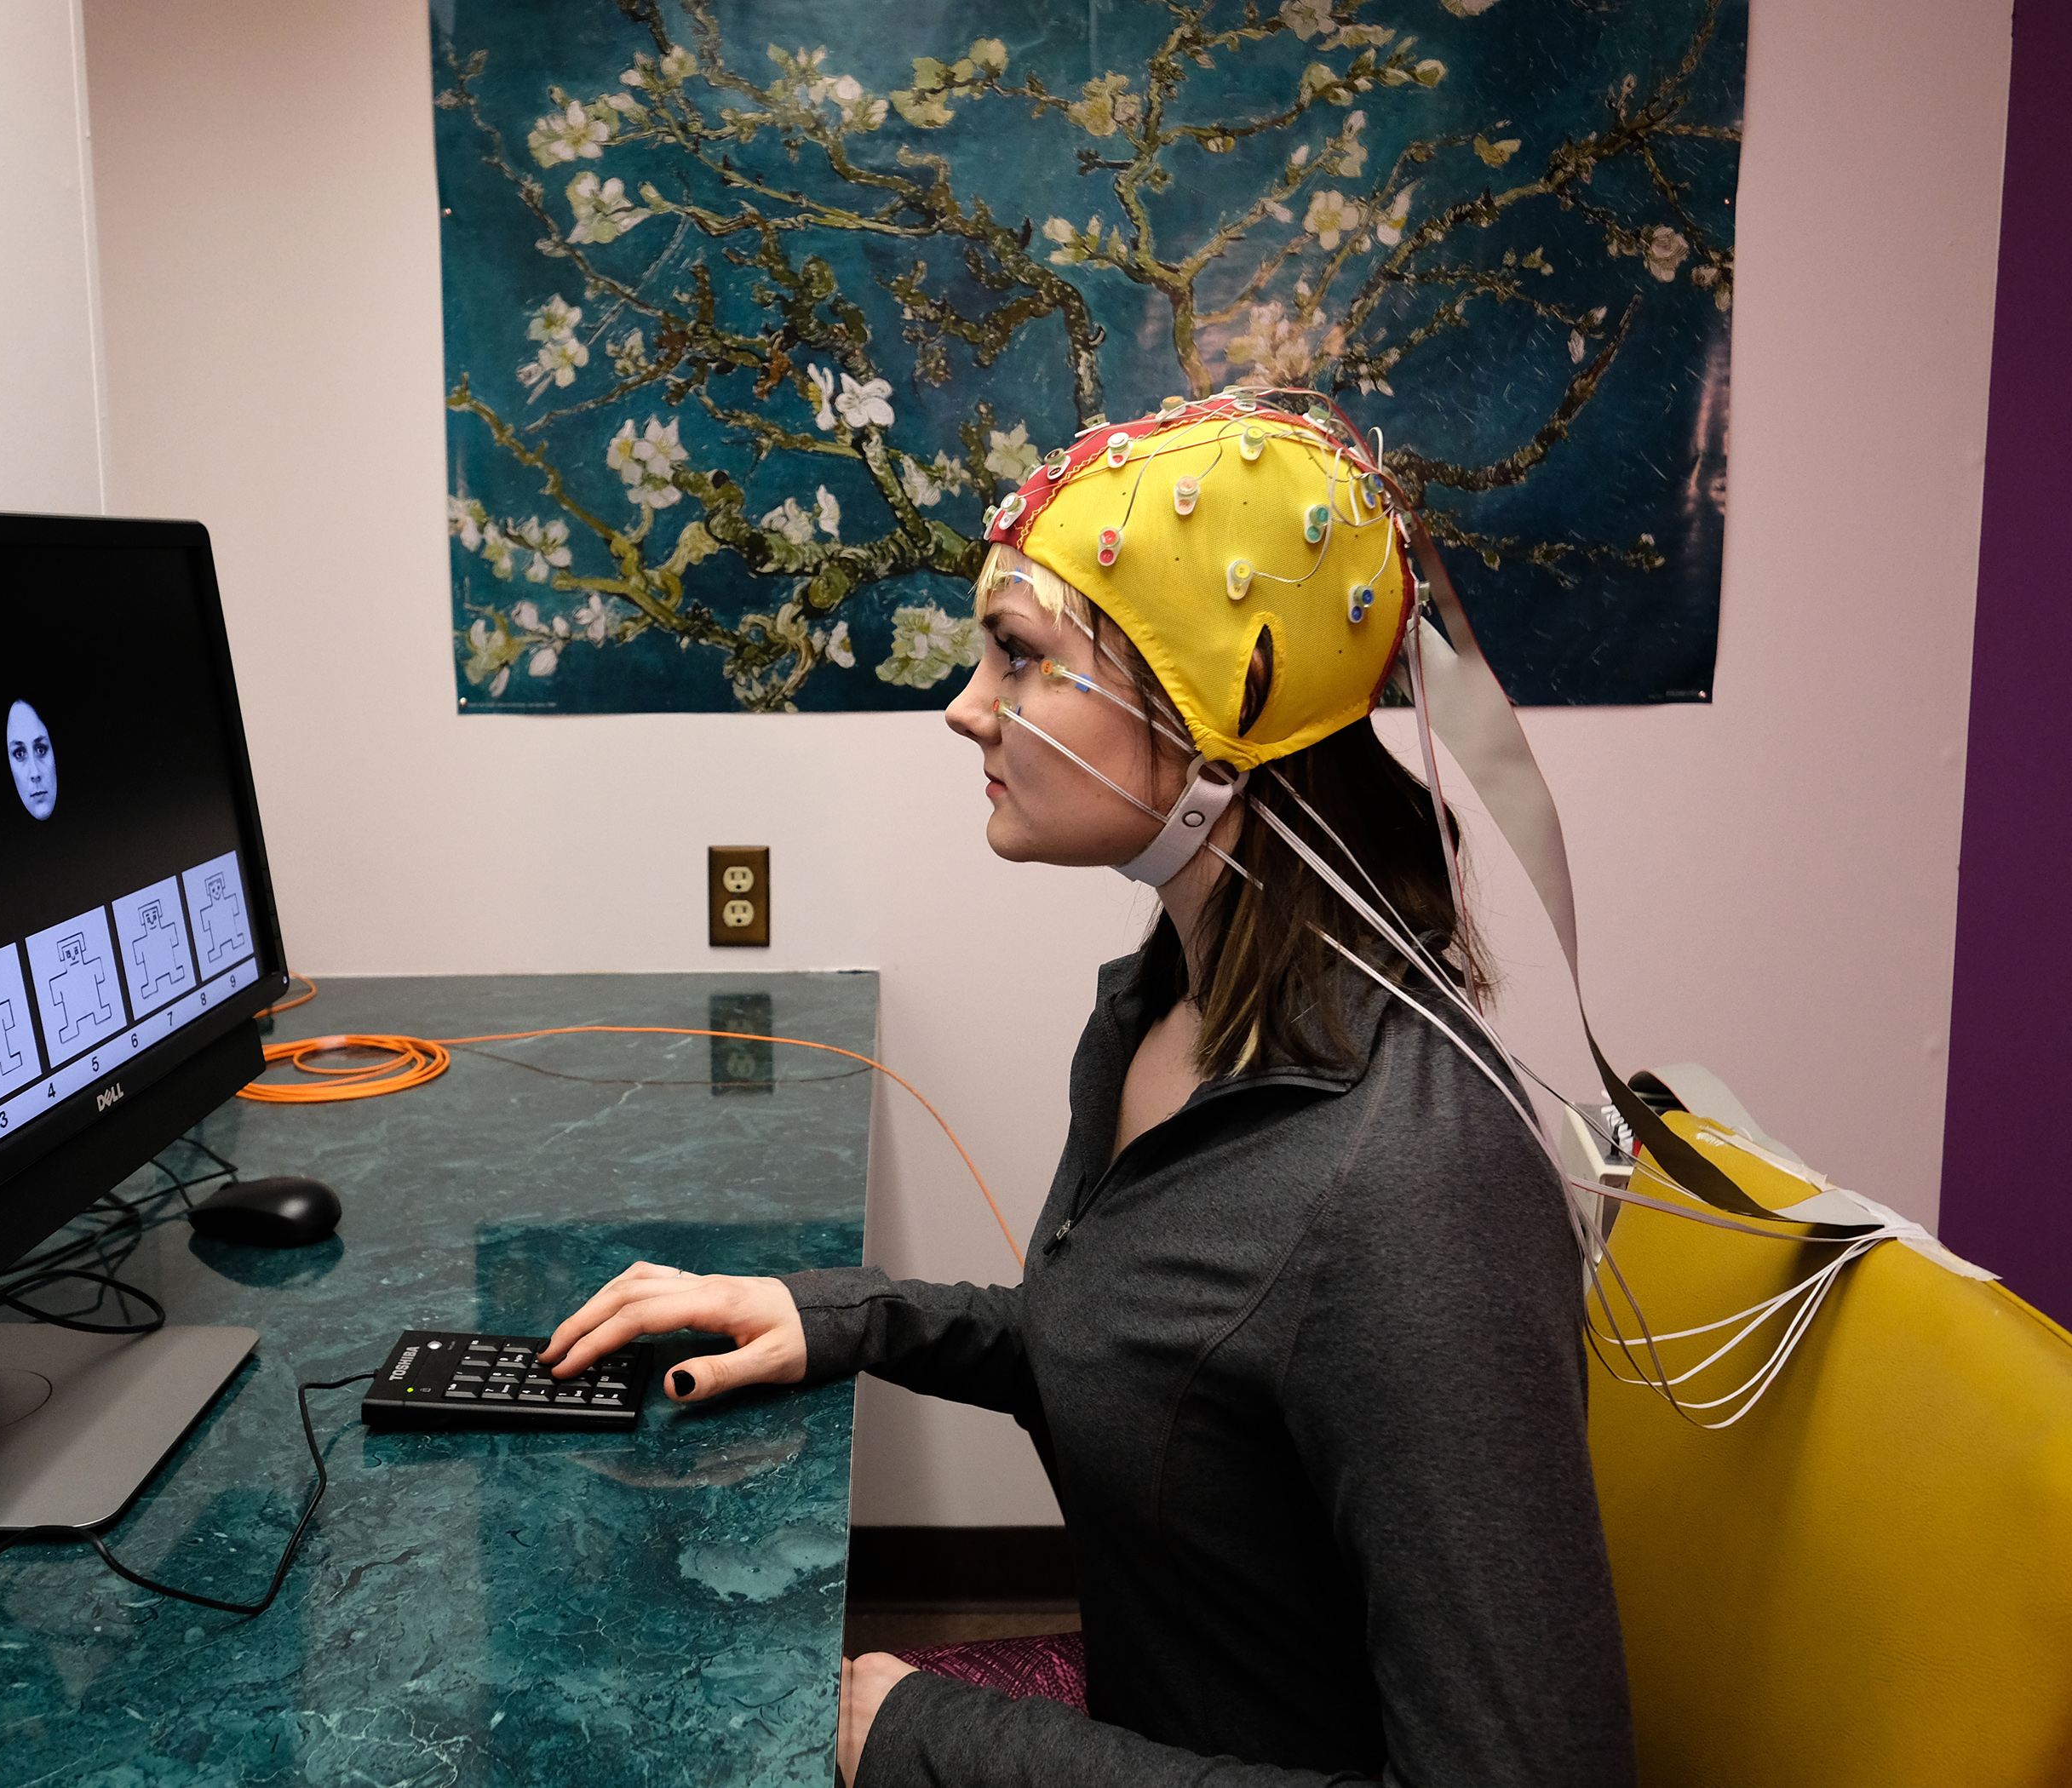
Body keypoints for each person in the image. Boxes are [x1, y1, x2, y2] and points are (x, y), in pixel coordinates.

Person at [541, 396, 1634, 1787]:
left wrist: (934, 1738)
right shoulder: (1167, 1010)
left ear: (1223, 703)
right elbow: (1148, 1358)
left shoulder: (1413, 1196)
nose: (965, 709)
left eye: (1021, 658)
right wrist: (840, 1315)